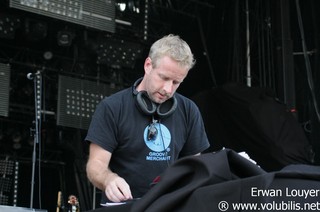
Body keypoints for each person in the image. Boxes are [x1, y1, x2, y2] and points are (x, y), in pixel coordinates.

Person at [85, 34, 210, 204]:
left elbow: (195, 168)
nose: (167, 89)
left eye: (176, 82)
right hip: (124, 207)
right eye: (164, 78)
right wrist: (109, 180)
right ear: (148, 65)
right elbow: (95, 165)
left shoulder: (189, 111)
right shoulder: (112, 108)